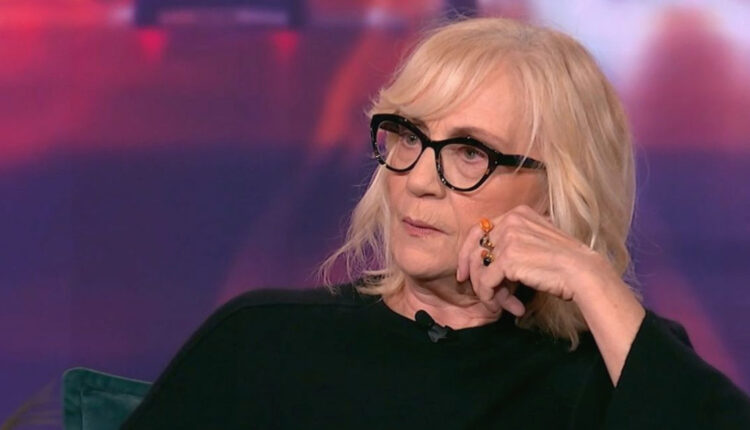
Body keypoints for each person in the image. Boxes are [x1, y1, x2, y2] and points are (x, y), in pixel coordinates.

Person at [121, 17, 750, 429]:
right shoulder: (262, 341)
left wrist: (594, 282)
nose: (419, 179)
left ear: (555, 193)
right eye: (407, 136)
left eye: (470, 152)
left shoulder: (619, 370)